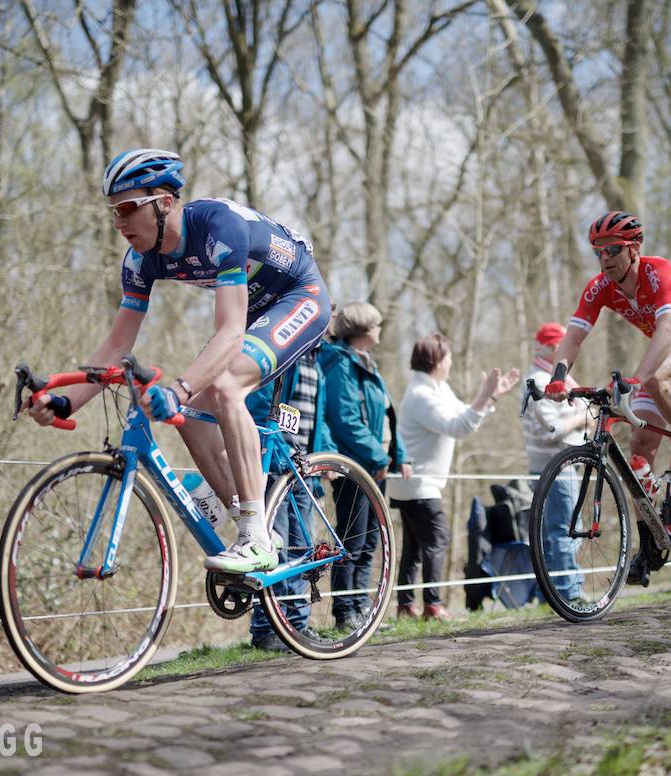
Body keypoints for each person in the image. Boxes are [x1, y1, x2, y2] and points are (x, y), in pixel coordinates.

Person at [26, 148, 331, 575]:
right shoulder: (140, 260)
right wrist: (65, 403)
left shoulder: (217, 227)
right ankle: (255, 531)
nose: (119, 222)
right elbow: (115, 347)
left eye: (129, 208)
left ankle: (256, 537)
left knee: (225, 388)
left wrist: (180, 387)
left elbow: (229, 332)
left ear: (165, 203)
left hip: (298, 297)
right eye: (113, 211)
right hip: (253, 312)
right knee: (189, 417)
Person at [545, 212, 671, 511]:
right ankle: (651, 542)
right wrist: (558, 376)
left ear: (634, 248)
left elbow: (667, 329)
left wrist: (638, 379)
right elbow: (573, 337)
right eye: (598, 252)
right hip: (667, 354)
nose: (605, 258)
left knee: (655, 378)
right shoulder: (600, 287)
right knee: (639, 449)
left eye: (613, 249)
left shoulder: (658, 271)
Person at [387, 334, 519, 622]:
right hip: (418, 484)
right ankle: (432, 606)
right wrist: (484, 397)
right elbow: (458, 427)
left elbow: (464, 414)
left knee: (415, 547)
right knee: (438, 539)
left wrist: (491, 397)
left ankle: (406, 606)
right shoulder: (422, 395)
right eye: (447, 358)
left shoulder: (437, 388)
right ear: (435, 361)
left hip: (415, 485)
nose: (450, 363)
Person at [318, 302, 411, 631]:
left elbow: (386, 416)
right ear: (365, 329)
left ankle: (362, 608)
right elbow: (345, 420)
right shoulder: (341, 364)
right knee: (352, 541)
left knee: (371, 540)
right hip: (356, 468)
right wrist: (378, 457)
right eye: (377, 324)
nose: (381, 330)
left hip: (376, 468)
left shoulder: (367, 363)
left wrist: (398, 456)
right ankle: (346, 613)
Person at [245, 344, 334, 651]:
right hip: (275, 466)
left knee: (303, 548)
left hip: (303, 469)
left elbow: (316, 419)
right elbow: (259, 408)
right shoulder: (283, 352)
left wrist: (325, 456)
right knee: (274, 547)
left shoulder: (316, 363)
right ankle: (266, 628)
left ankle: (297, 626)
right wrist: (268, 452)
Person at [523, 323, 594, 601]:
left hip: (555, 466)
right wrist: (583, 419)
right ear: (554, 348)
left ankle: (550, 593)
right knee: (564, 530)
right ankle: (568, 591)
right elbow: (550, 429)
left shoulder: (548, 378)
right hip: (554, 467)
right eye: (563, 346)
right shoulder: (542, 381)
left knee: (553, 530)